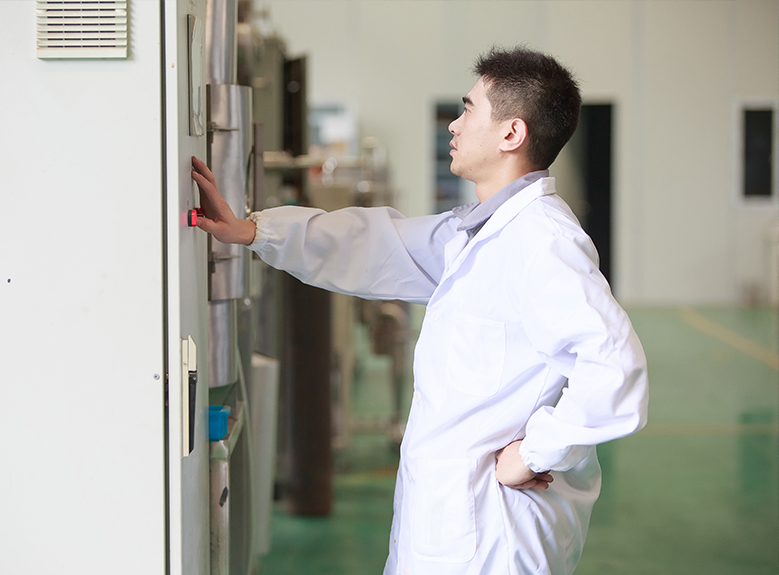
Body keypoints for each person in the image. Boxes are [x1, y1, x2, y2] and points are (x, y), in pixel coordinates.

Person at [192, 46, 648, 575]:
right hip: (450, 519)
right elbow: (376, 244)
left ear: (511, 134)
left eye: (469, 109)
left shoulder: (543, 241)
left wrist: (535, 453)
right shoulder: (478, 232)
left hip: (495, 533)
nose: (454, 124)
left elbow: (614, 366)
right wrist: (253, 230)